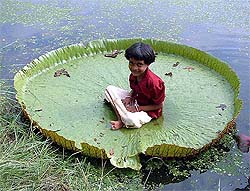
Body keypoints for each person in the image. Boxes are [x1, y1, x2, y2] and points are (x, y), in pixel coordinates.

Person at [104, 42, 165, 130]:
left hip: (148, 110)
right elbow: (134, 89)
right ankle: (121, 119)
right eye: (131, 63)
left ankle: (122, 120)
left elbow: (159, 105)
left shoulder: (155, 83)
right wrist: (129, 97)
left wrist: (137, 108)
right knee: (109, 90)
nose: (134, 68)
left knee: (130, 119)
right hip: (135, 100)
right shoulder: (134, 75)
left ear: (148, 64)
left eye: (139, 64)